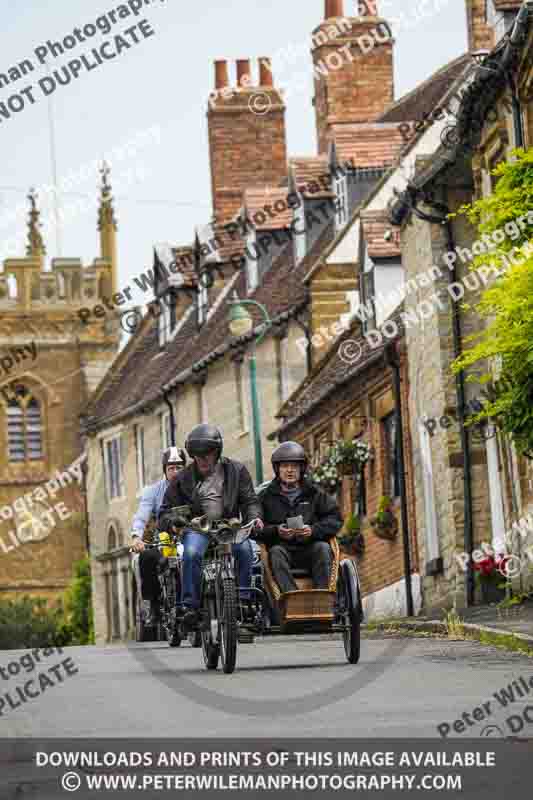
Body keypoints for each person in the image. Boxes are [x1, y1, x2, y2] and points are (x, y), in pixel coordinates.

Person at [159, 424, 263, 629]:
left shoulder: (236, 470)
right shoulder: (182, 479)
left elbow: (250, 500)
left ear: (217, 452)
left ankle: (243, 601)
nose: (202, 459)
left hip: (229, 526)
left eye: (207, 454)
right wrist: (176, 523)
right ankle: (190, 607)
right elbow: (164, 513)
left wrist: (254, 518)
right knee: (190, 553)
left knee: (245, 549)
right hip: (198, 528)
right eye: (197, 455)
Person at [257, 441, 343, 592]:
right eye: (284, 466)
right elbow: (256, 528)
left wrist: (313, 530)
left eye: (294, 466)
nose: (289, 470)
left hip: (310, 548)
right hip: (282, 550)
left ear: (301, 469)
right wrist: (277, 531)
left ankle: (322, 597)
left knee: (323, 548)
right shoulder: (265, 497)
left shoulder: (315, 493)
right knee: (275, 552)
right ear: (277, 469)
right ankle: (291, 600)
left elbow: (335, 519)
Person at [130, 446, 187, 625]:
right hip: (164, 541)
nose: (175, 472)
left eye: (179, 467)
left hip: (188, 537)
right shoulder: (153, 491)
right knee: (146, 558)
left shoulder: (194, 487)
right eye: (171, 468)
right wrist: (136, 537)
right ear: (164, 470)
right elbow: (141, 516)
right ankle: (154, 604)